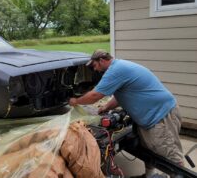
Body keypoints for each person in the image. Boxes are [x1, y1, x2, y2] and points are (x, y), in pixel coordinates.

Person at [69, 49, 183, 177]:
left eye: (94, 65)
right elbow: (120, 96)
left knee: (169, 154)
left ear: (101, 60)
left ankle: (179, 174)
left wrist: (75, 101)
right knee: (150, 151)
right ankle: (149, 175)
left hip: (161, 115)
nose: (95, 69)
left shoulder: (115, 70)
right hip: (151, 116)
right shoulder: (120, 66)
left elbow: (95, 95)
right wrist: (106, 107)